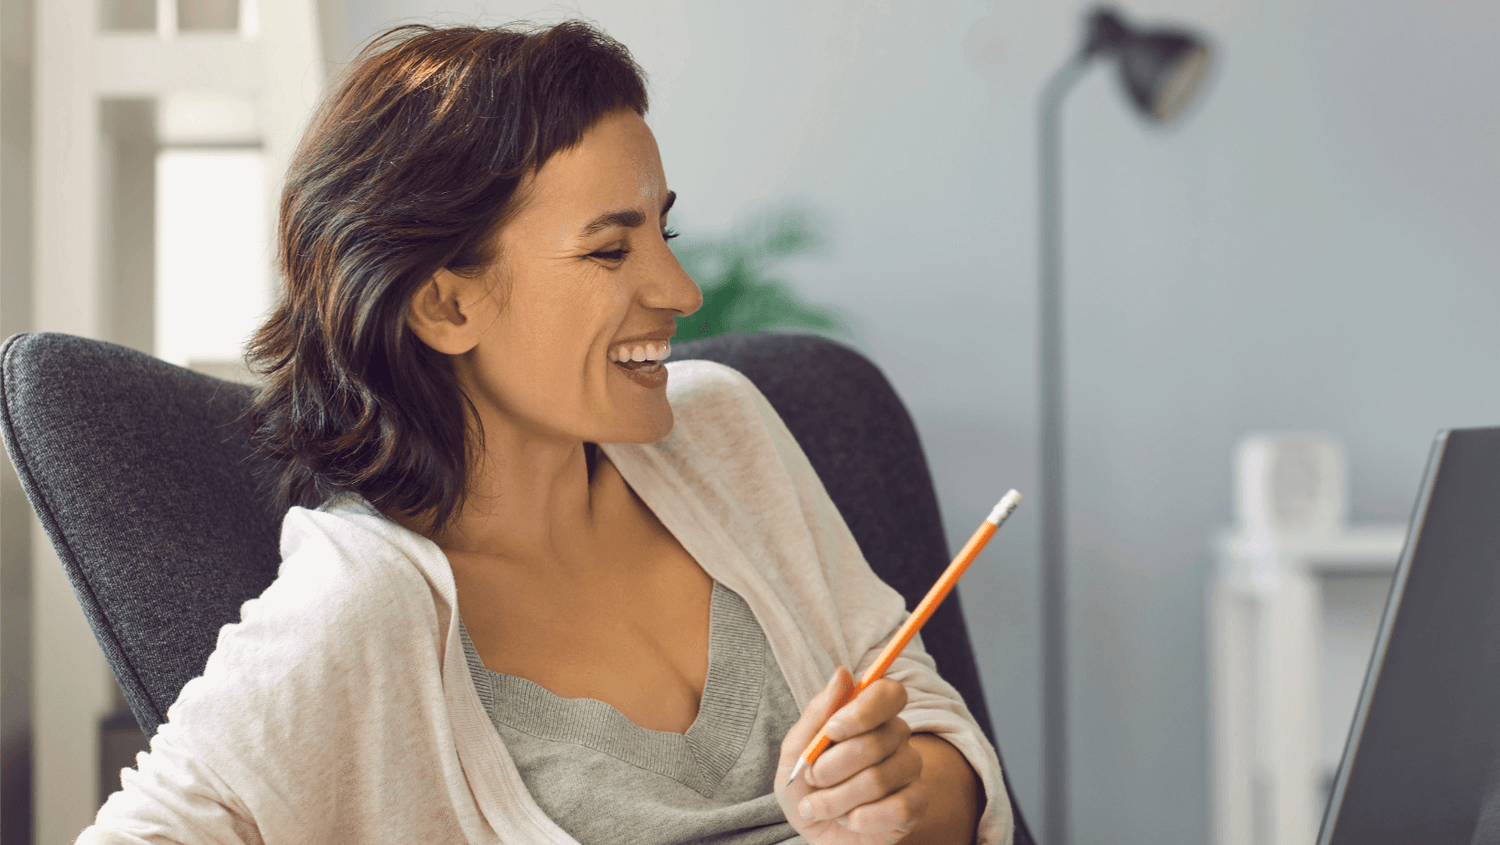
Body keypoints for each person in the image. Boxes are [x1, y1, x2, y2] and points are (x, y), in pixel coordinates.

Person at [80, 21, 1012, 845]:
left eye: (663, 233)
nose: (681, 293)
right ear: (445, 303)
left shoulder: (723, 429)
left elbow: (937, 734)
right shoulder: (354, 611)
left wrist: (901, 798)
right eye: (610, 248)